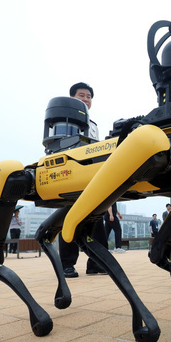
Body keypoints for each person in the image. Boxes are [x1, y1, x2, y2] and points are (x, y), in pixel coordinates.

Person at [58, 82, 107, 278]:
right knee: (70, 218)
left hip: (91, 176)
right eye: (81, 95)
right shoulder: (65, 119)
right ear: (72, 97)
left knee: (96, 219)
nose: (86, 99)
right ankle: (66, 264)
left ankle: (96, 262)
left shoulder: (93, 125)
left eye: (88, 96)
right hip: (69, 175)